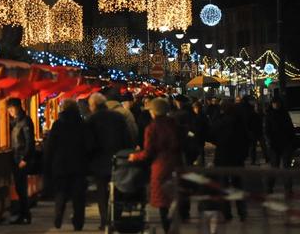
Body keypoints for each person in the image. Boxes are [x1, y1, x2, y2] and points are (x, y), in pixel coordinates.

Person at [129, 98, 181, 233]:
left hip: (160, 166)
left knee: (163, 202)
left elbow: (148, 152)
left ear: (154, 112)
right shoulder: (174, 124)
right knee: (175, 197)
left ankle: (167, 229)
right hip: (177, 164)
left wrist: (135, 156)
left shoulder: (152, 127)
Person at [87, 93, 133, 230]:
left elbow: (88, 142)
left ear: (94, 105)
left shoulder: (91, 120)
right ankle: (116, 217)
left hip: (99, 161)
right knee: (117, 189)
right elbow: (127, 138)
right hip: (118, 160)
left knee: (101, 192)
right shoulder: (118, 117)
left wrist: (89, 157)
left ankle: (104, 220)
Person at [44, 98, 88, 231]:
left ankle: (58, 216)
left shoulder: (57, 124)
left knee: (61, 192)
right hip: (79, 164)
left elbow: (50, 146)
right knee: (78, 196)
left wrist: (48, 162)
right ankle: (78, 222)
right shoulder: (82, 124)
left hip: (60, 164)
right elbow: (88, 144)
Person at [209, 101, 248, 221]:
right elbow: (246, 138)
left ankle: (226, 212)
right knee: (238, 184)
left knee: (223, 185)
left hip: (222, 157)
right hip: (237, 157)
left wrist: (219, 143)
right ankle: (242, 212)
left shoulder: (219, 122)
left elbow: (211, 135)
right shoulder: (239, 122)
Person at [7, 97, 35, 225]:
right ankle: (24, 214)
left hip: (21, 159)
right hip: (15, 158)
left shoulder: (25, 121)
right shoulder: (15, 122)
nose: (10, 111)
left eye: (12, 108)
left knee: (21, 188)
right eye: (9, 108)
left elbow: (29, 142)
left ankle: (25, 215)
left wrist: (25, 158)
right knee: (19, 188)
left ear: (18, 107)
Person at [264, 97, 296, 193]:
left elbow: (290, 128)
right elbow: (267, 130)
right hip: (275, 144)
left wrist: (291, 140)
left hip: (285, 144)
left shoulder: (284, 114)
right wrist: (269, 142)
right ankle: (269, 187)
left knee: (286, 167)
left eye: (277, 103)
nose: (276, 105)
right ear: (272, 104)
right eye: (274, 103)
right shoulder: (269, 115)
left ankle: (288, 189)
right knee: (275, 167)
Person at [189, 101, 210, 166]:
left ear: (197, 108)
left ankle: (200, 163)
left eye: (195, 108)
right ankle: (201, 162)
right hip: (201, 135)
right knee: (201, 149)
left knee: (199, 149)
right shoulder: (202, 115)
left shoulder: (199, 116)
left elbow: (198, 127)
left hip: (199, 136)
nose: (194, 109)